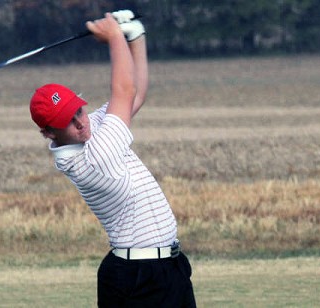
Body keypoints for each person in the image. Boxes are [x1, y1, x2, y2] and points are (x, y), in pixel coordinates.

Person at [29, 10, 196, 307]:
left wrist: (135, 36)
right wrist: (114, 37)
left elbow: (136, 95)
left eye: (78, 110)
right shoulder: (93, 159)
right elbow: (125, 89)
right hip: (137, 277)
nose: (81, 122)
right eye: (68, 121)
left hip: (168, 269)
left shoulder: (90, 131)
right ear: (49, 133)